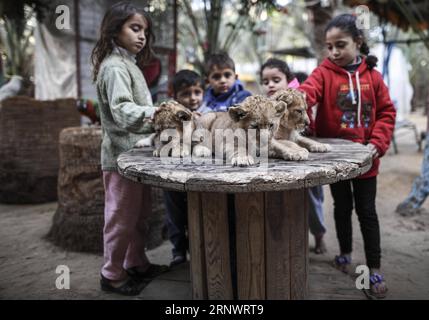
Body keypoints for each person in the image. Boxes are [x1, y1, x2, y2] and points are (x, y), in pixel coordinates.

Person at [299, 13, 396, 299]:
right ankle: (344, 254)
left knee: (367, 212)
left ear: (358, 42)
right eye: (329, 47)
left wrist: (376, 144)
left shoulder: (374, 78)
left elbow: (387, 113)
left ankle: (374, 269)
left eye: (340, 45)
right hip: (336, 162)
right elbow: (308, 92)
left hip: (367, 160)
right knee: (341, 208)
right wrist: (295, 101)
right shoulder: (323, 72)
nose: (334, 52)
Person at [91, 1, 168, 296]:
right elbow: (123, 111)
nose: (142, 36)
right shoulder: (113, 68)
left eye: (144, 31)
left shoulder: (129, 64)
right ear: (114, 30)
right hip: (119, 159)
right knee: (121, 219)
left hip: (135, 158)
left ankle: (135, 262)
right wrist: (159, 115)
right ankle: (111, 274)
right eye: (135, 28)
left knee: (138, 215)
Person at [260, 58, 327, 254]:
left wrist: (311, 144)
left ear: (288, 80)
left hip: (302, 162)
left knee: (313, 198)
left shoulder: (296, 98)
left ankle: (319, 234)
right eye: (266, 82)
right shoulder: (266, 107)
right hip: (278, 163)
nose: (270, 85)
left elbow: (298, 133)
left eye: (276, 79)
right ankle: (283, 242)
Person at [164, 69, 205, 267]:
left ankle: (200, 251)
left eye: (197, 92)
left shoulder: (207, 114)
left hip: (200, 175)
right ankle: (178, 250)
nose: (192, 98)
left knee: (199, 213)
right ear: (175, 96)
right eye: (186, 94)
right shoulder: (169, 115)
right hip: (172, 174)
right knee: (175, 213)